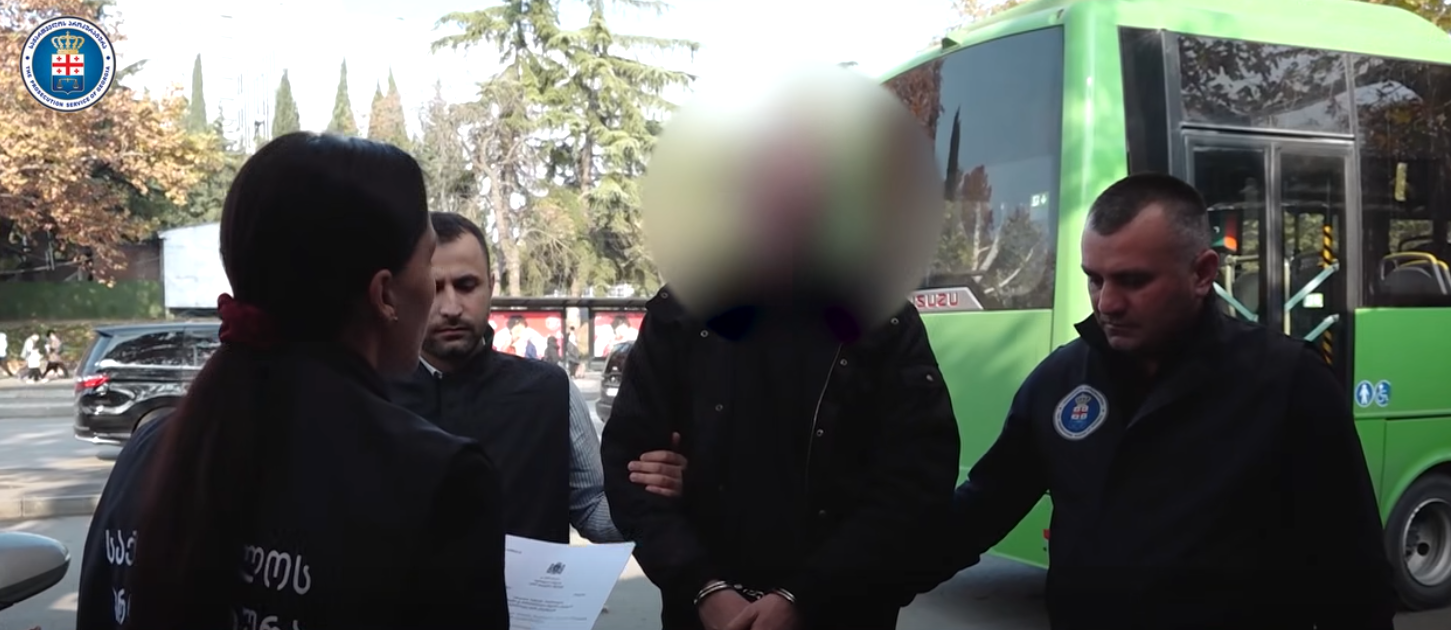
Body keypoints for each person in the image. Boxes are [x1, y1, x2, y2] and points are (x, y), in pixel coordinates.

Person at [918, 173, 1394, 630]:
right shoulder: (1060, 381)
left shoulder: (1288, 383)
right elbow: (983, 508)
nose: (1106, 303)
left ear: (1202, 273)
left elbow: (1353, 574)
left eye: (1133, 280)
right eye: (1094, 279)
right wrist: (880, 573)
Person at [74, 132, 509, 630]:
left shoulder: (148, 450)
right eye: (429, 262)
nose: (438, 294)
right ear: (384, 294)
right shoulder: (439, 480)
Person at [599, 284, 960, 630]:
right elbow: (631, 473)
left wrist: (804, 597)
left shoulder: (884, 320)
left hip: (844, 613)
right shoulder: (680, 312)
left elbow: (916, 484)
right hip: (702, 616)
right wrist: (703, 589)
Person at [389, 211, 688, 545]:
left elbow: (593, 510)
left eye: (466, 285)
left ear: (491, 285)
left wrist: (657, 495)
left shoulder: (551, 391)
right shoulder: (369, 397)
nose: (451, 307)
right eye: (434, 287)